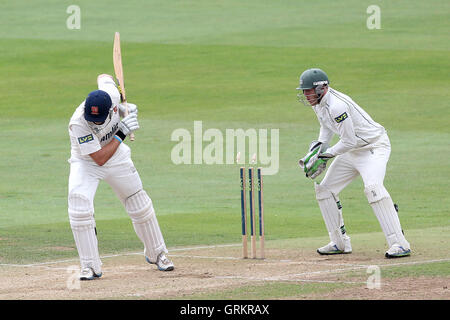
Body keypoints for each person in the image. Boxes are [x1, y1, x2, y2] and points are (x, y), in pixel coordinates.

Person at [67, 74, 174, 280]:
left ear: (112, 108)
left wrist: (125, 106)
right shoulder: (78, 123)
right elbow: (99, 158)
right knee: (79, 206)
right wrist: (122, 131)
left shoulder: (112, 96)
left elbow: (103, 76)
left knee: (138, 202)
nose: (95, 124)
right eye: (92, 120)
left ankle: (158, 254)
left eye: (99, 119)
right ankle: (90, 266)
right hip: (87, 162)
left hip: (117, 158)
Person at [297, 68, 411, 258]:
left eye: (308, 90)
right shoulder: (317, 104)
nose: (305, 95)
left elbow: (349, 141)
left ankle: (400, 244)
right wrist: (317, 150)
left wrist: (326, 155)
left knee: (373, 188)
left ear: (321, 88)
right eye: (304, 91)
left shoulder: (337, 106)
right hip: (351, 150)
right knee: (325, 190)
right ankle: (339, 243)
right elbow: (326, 127)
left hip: (373, 148)